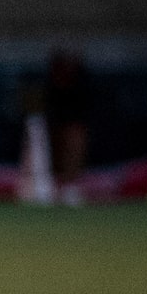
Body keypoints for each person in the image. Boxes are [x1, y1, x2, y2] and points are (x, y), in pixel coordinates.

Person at [44, 47, 91, 205]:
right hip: (58, 121)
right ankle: (57, 186)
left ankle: (69, 187)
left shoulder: (81, 85)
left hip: (73, 121)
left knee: (74, 141)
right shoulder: (52, 88)